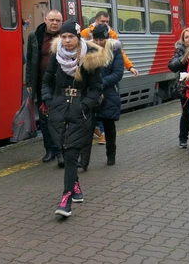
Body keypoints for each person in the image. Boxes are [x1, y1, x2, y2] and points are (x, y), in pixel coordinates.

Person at [41, 19, 106, 218]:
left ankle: (66, 199)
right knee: (63, 148)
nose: (67, 40)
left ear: (78, 38)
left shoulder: (90, 58)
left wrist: (85, 105)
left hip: (80, 111)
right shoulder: (56, 56)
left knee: (70, 154)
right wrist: (49, 101)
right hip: (58, 110)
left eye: (71, 37)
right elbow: (47, 81)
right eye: (64, 36)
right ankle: (75, 186)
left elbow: (96, 87)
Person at [81, 11, 138, 146]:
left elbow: (120, 54)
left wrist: (129, 66)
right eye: (103, 22)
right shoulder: (86, 33)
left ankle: (104, 136)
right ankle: (99, 135)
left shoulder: (111, 35)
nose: (106, 24)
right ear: (96, 21)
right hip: (92, 85)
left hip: (106, 85)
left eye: (107, 21)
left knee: (105, 112)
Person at [25, 10, 63, 166]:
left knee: (60, 118)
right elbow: (30, 60)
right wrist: (29, 82)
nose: (55, 23)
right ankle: (50, 150)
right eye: (52, 20)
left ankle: (62, 150)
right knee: (45, 118)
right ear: (45, 20)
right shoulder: (35, 36)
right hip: (42, 84)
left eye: (58, 20)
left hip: (61, 84)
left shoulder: (66, 36)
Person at [84, 23, 124, 167]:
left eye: (102, 39)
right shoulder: (88, 49)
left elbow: (118, 73)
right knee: (87, 129)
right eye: (96, 39)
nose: (99, 42)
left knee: (109, 127)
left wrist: (100, 83)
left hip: (109, 94)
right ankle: (84, 161)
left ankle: (111, 155)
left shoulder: (115, 50)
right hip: (91, 94)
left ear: (107, 38)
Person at [168, 27, 189, 148]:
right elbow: (172, 65)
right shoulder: (180, 50)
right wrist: (185, 59)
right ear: (183, 40)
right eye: (187, 37)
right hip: (186, 88)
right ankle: (183, 139)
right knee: (187, 113)